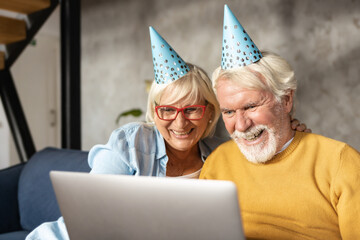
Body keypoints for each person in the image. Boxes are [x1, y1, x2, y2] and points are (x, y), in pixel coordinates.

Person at [26, 26, 308, 240]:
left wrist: (290, 133)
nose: (180, 123)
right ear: (155, 111)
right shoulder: (131, 143)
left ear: (210, 112)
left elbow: (271, 166)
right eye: (168, 110)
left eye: (192, 110)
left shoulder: (225, 154)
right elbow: (85, 218)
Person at [200, 5, 360, 240]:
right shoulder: (217, 163)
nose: (241, 125)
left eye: (251, 106)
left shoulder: (340, 162)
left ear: (285, 100)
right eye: (229, 112)